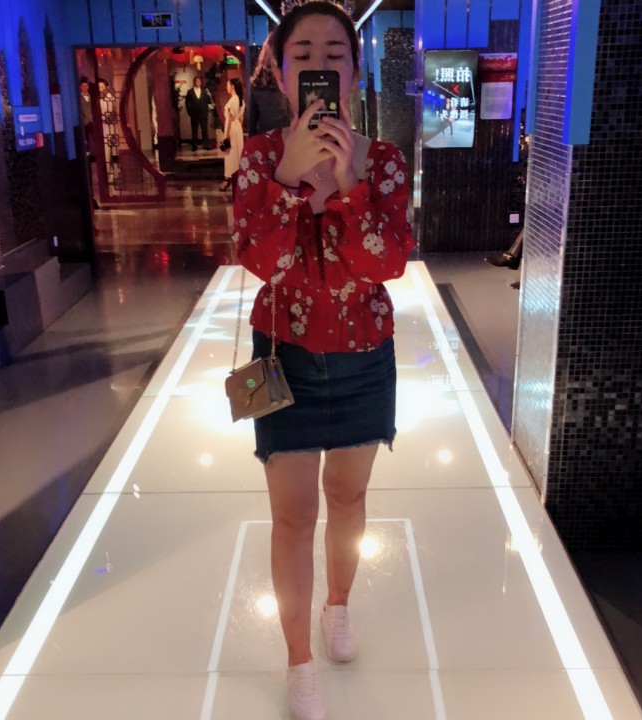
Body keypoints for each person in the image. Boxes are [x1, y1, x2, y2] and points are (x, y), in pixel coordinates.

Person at [231, 3, 414, 719]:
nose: (319, 66)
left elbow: (387, 263)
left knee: (348, 498)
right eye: (302, 54)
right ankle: (297, 659)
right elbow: (260, 260)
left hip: (367, 354)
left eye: (334, 54)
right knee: (291, 516)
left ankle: (338, 605)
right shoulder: (258, 158)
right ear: (280, 74)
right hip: (283, 356)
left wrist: (345, 186)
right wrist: (288, 181)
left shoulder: (384, 160)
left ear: (354, 71)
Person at [248, 31, 292, 135]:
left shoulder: (257, 82)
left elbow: (252, 119)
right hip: (289, 136)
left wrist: (252, 141)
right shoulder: (289, 78)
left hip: (266, 138)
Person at [219, 78, 245, 191]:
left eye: (228, 85)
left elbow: (229, 118)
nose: (227, 87)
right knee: (237, 152)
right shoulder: (241, 100)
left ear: (232, 86)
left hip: (232, 127)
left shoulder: (233, 100)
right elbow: (241, 118)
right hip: (238, 127)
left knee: (230, 153)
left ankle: (228, 178)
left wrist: (227, 135)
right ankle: (237, 176)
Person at [185, 75, 213, 151]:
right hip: (194, 114)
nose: (198, 82)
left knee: (205, 130)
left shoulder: (204, 91)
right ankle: (194, 145)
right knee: (194, 130)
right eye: (197, 81)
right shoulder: (190, 92)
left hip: (203, 114)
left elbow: (208, 101)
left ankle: (206, 145)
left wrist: (207, 110)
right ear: (194, 82)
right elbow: (187, 103)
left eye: (199, 81)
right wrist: (190, 113)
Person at [79, 77, 93, 156]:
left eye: (86, 86)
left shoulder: (92, 96)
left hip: (92, 120)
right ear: (80, 87)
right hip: (84, 121)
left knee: (93, 138)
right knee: (85, 138)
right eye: (83, 86)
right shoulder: (79, 98)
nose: (84, 88)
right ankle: (87, 152)